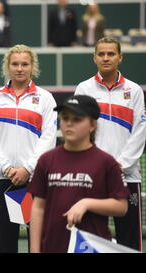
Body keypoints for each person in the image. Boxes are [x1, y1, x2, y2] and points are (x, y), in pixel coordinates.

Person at [28, 95, 129, 253]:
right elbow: (38, 208)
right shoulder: (46, 160)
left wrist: (86, 203)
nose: (69, 123)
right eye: (65, 118)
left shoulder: (106, 162)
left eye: (77, 119)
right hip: (52, 247)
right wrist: (34, 250)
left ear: (92, 125)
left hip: (91, 248)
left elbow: (121, 206)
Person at [0, 45, 57, 253]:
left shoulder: (46, 99)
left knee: (39, 244)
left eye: (25, 64)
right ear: (8, 66)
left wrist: (28, 169)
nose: (20, 68)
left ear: (33, 67)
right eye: (15, 64)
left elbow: (49, 140)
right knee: (5, 245)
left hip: (35, 181)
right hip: (3, 181)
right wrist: (7, 168)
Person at [75, 37, 146, 251]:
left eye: (111, 54)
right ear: (94, 58)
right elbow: (78, 132)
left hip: (127, 177)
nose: (106, 58)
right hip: (92, 177)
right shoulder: (84, 88)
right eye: (101, 54)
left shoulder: (134, 91)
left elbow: (139, 133)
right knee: (91, 241)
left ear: (120, 57)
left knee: (129, 241)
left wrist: (119, 166)